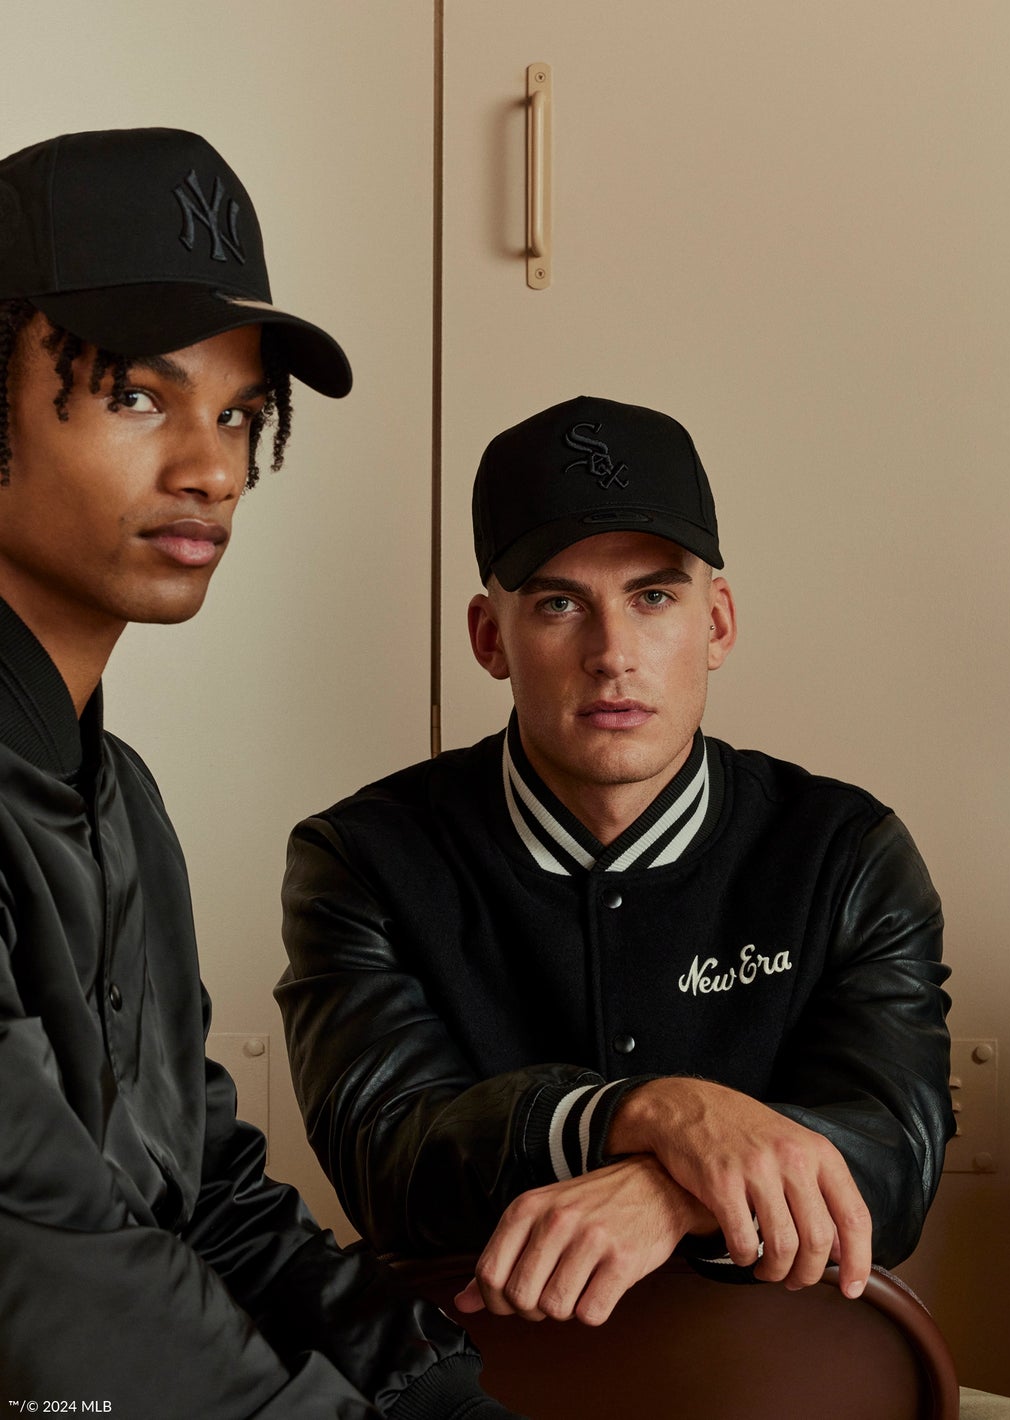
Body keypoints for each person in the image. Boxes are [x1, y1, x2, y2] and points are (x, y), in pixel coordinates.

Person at [0, 127, 521, 1419]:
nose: (215, 469)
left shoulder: (120, 798)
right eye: (137, 396)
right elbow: (45, 1284)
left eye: (238, 414)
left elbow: (203, 1190)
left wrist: (427, 1380)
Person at [277, 393, 955, 1327]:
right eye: (560, 604)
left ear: (715, 623)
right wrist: (644, 1113)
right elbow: (390, 1161)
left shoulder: (843, 851)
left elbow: (897, 1159)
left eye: (653, 597)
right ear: (490, 639)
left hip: (769, 1373)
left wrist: (672, 1190)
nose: (612, 654)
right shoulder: (363, 859)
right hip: (469, 1379)